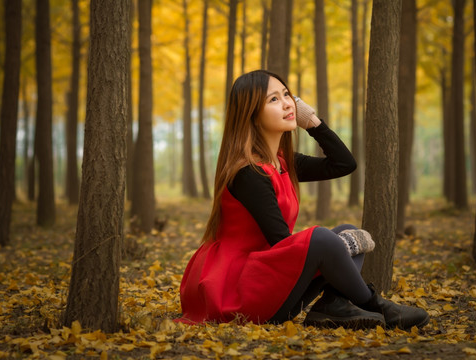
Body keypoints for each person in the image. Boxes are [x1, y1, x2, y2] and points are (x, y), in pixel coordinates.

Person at [177, 70, 429, 330]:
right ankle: (377, 306)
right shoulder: (248, 172)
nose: (288, 103)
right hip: (238, 289)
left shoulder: (284, 162)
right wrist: (333, 248)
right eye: (273, 100)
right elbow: (282, 243)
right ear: (252, 114)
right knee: (321, 238)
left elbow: (344, 164)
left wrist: (314, 123)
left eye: (287, 94)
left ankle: (334, 306)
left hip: (266, 274)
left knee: (348, 231)